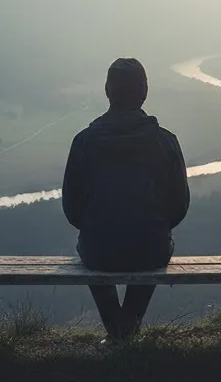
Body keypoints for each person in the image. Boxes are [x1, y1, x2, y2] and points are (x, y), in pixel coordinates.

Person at [62, 57, 190, 339]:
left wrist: (98, 223)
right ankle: (126, 331)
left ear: (107, 91)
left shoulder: (84, 141)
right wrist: (153, 222)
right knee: (151, 243)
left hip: (98, 248)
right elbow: (179, 206)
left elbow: (72, 209)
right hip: (150, 247)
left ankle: (118, 333)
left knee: (93, 247)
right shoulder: (165, 141)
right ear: (144, 92)